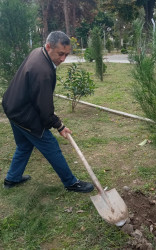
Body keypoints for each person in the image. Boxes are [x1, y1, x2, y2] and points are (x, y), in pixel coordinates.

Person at [2, 31, 94, 193]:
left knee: (24, 146)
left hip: (12, 107)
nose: (63, 59)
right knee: (51, 147)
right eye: (60, 54)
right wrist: (59, 125)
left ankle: (12, 178)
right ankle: (71, 182)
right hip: (25, 115)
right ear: (48, 46)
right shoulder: (43, 71)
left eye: (66, 54)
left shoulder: (38, 52)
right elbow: (45, 109)